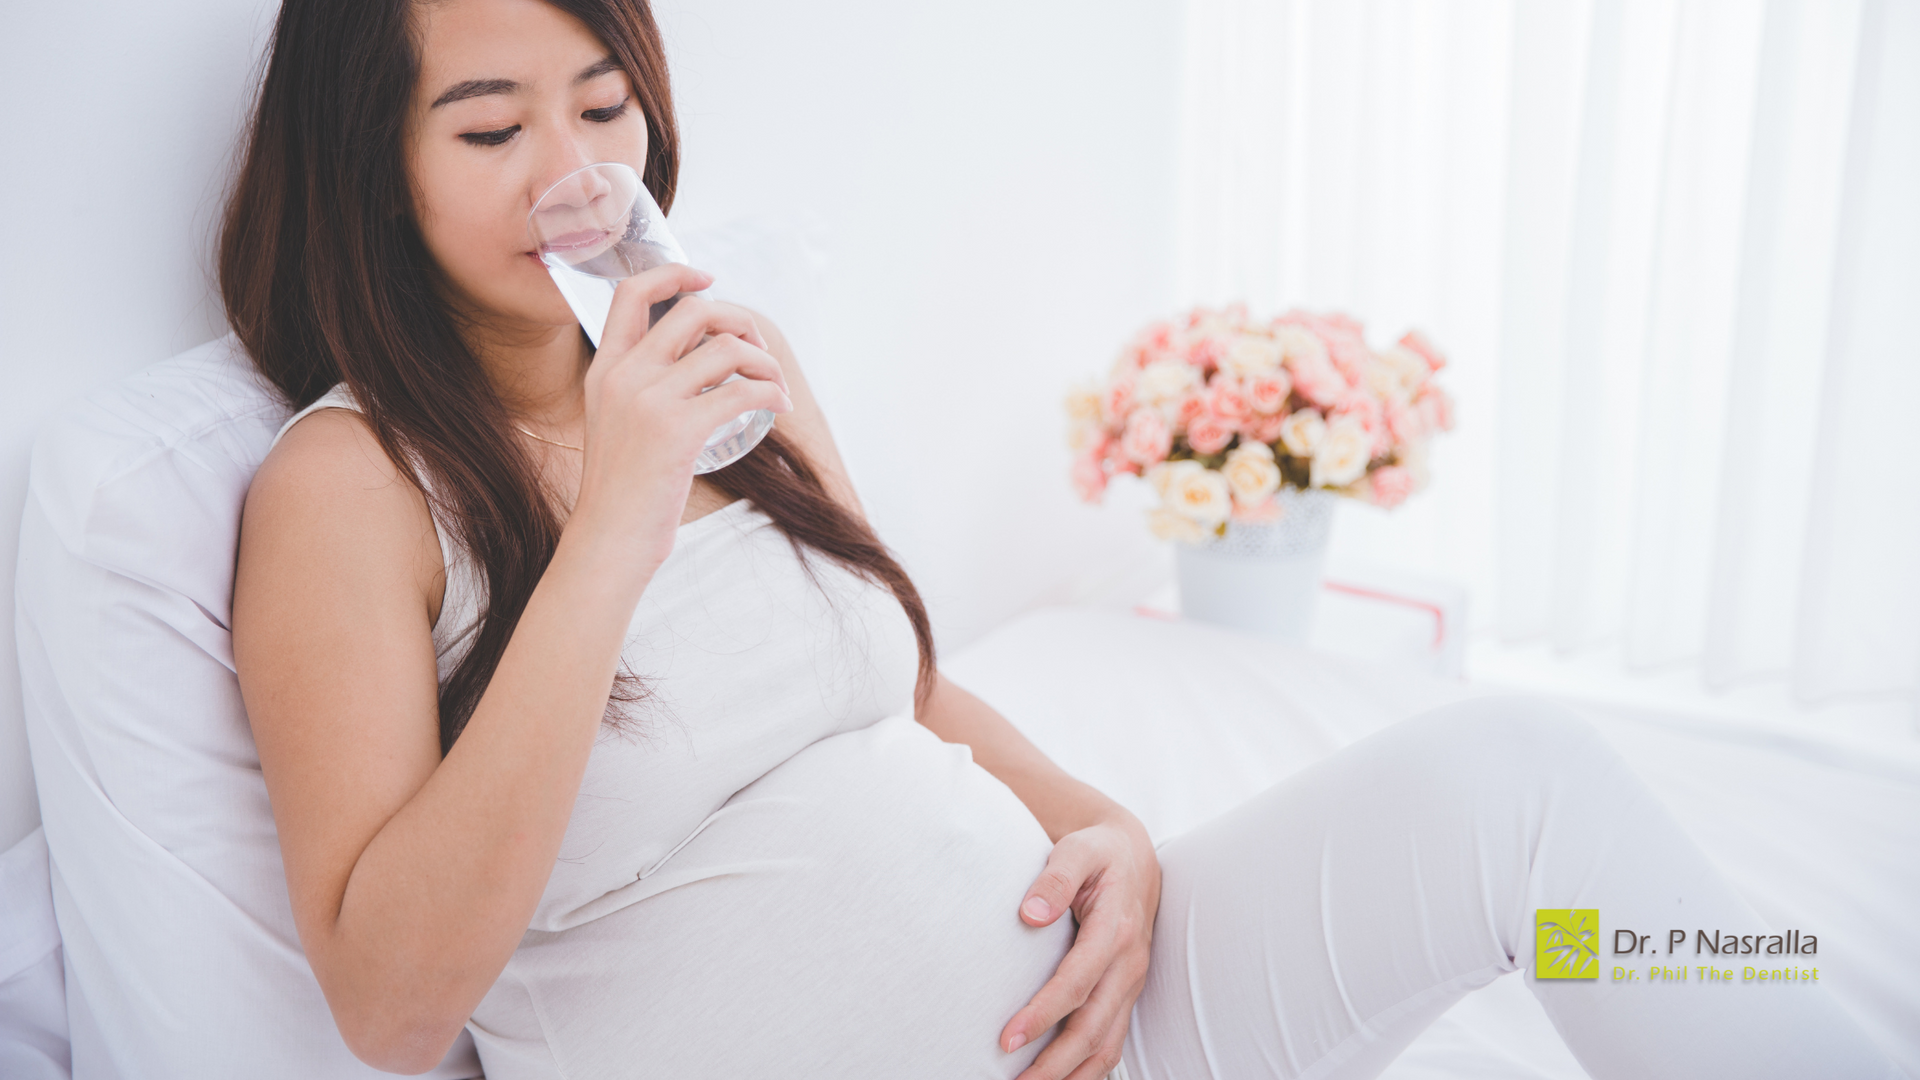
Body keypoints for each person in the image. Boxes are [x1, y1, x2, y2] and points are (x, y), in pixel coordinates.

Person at [225, 1, 1905, 1077]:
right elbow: (390, 1004)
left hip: (1120, 1030)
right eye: (494, 129)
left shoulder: (723, 359)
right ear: (375, 170)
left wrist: (1102, 826)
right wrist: (611, 517)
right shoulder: (349, 487)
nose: (578, 172)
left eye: (605, 106)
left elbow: (903, 683)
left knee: (1527, 792)